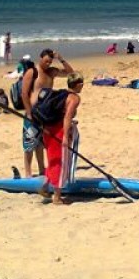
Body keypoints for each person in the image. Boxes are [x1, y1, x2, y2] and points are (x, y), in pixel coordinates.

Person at [21, 49, 74, 178]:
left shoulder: (51, 72)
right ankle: (28, 172)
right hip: (32, 113)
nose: (48, 64)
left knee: (40, 143)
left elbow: (71, 73)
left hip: (45, 114)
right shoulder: (32, 72)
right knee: (29, 143)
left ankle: (41, 170)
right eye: (46, 61)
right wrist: (28, 113)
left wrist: (60, 58)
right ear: (40, 58)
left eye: (50, 62)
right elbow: (24, 93)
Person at [40, 73, 84, 204]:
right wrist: (65, 136)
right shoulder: (74, 98)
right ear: (78, 85)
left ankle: (44, 187)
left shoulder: (61, 94)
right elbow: (67, 117)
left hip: (47, 130)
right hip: (58, 131)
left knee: (53, 159)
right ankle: (57, 197)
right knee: (61, 161)